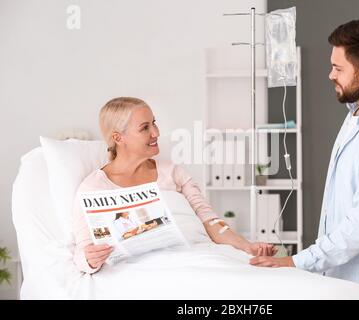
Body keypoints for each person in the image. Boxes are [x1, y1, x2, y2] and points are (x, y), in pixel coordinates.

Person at [250, 19, 359, 299]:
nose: (330, 75)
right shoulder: (357, 115)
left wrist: (295, 262)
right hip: (347, 281)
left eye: (338, 68)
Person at [73, 97, 277, 274]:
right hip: (141, 269)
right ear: (118, 138)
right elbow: (83, 252)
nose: (156, 132)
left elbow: (210, 221)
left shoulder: (172, 172)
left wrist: (248, 247)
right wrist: (89, 260)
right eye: (145, 128)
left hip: (197, 255)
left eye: (154, 123)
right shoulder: (93, 188)